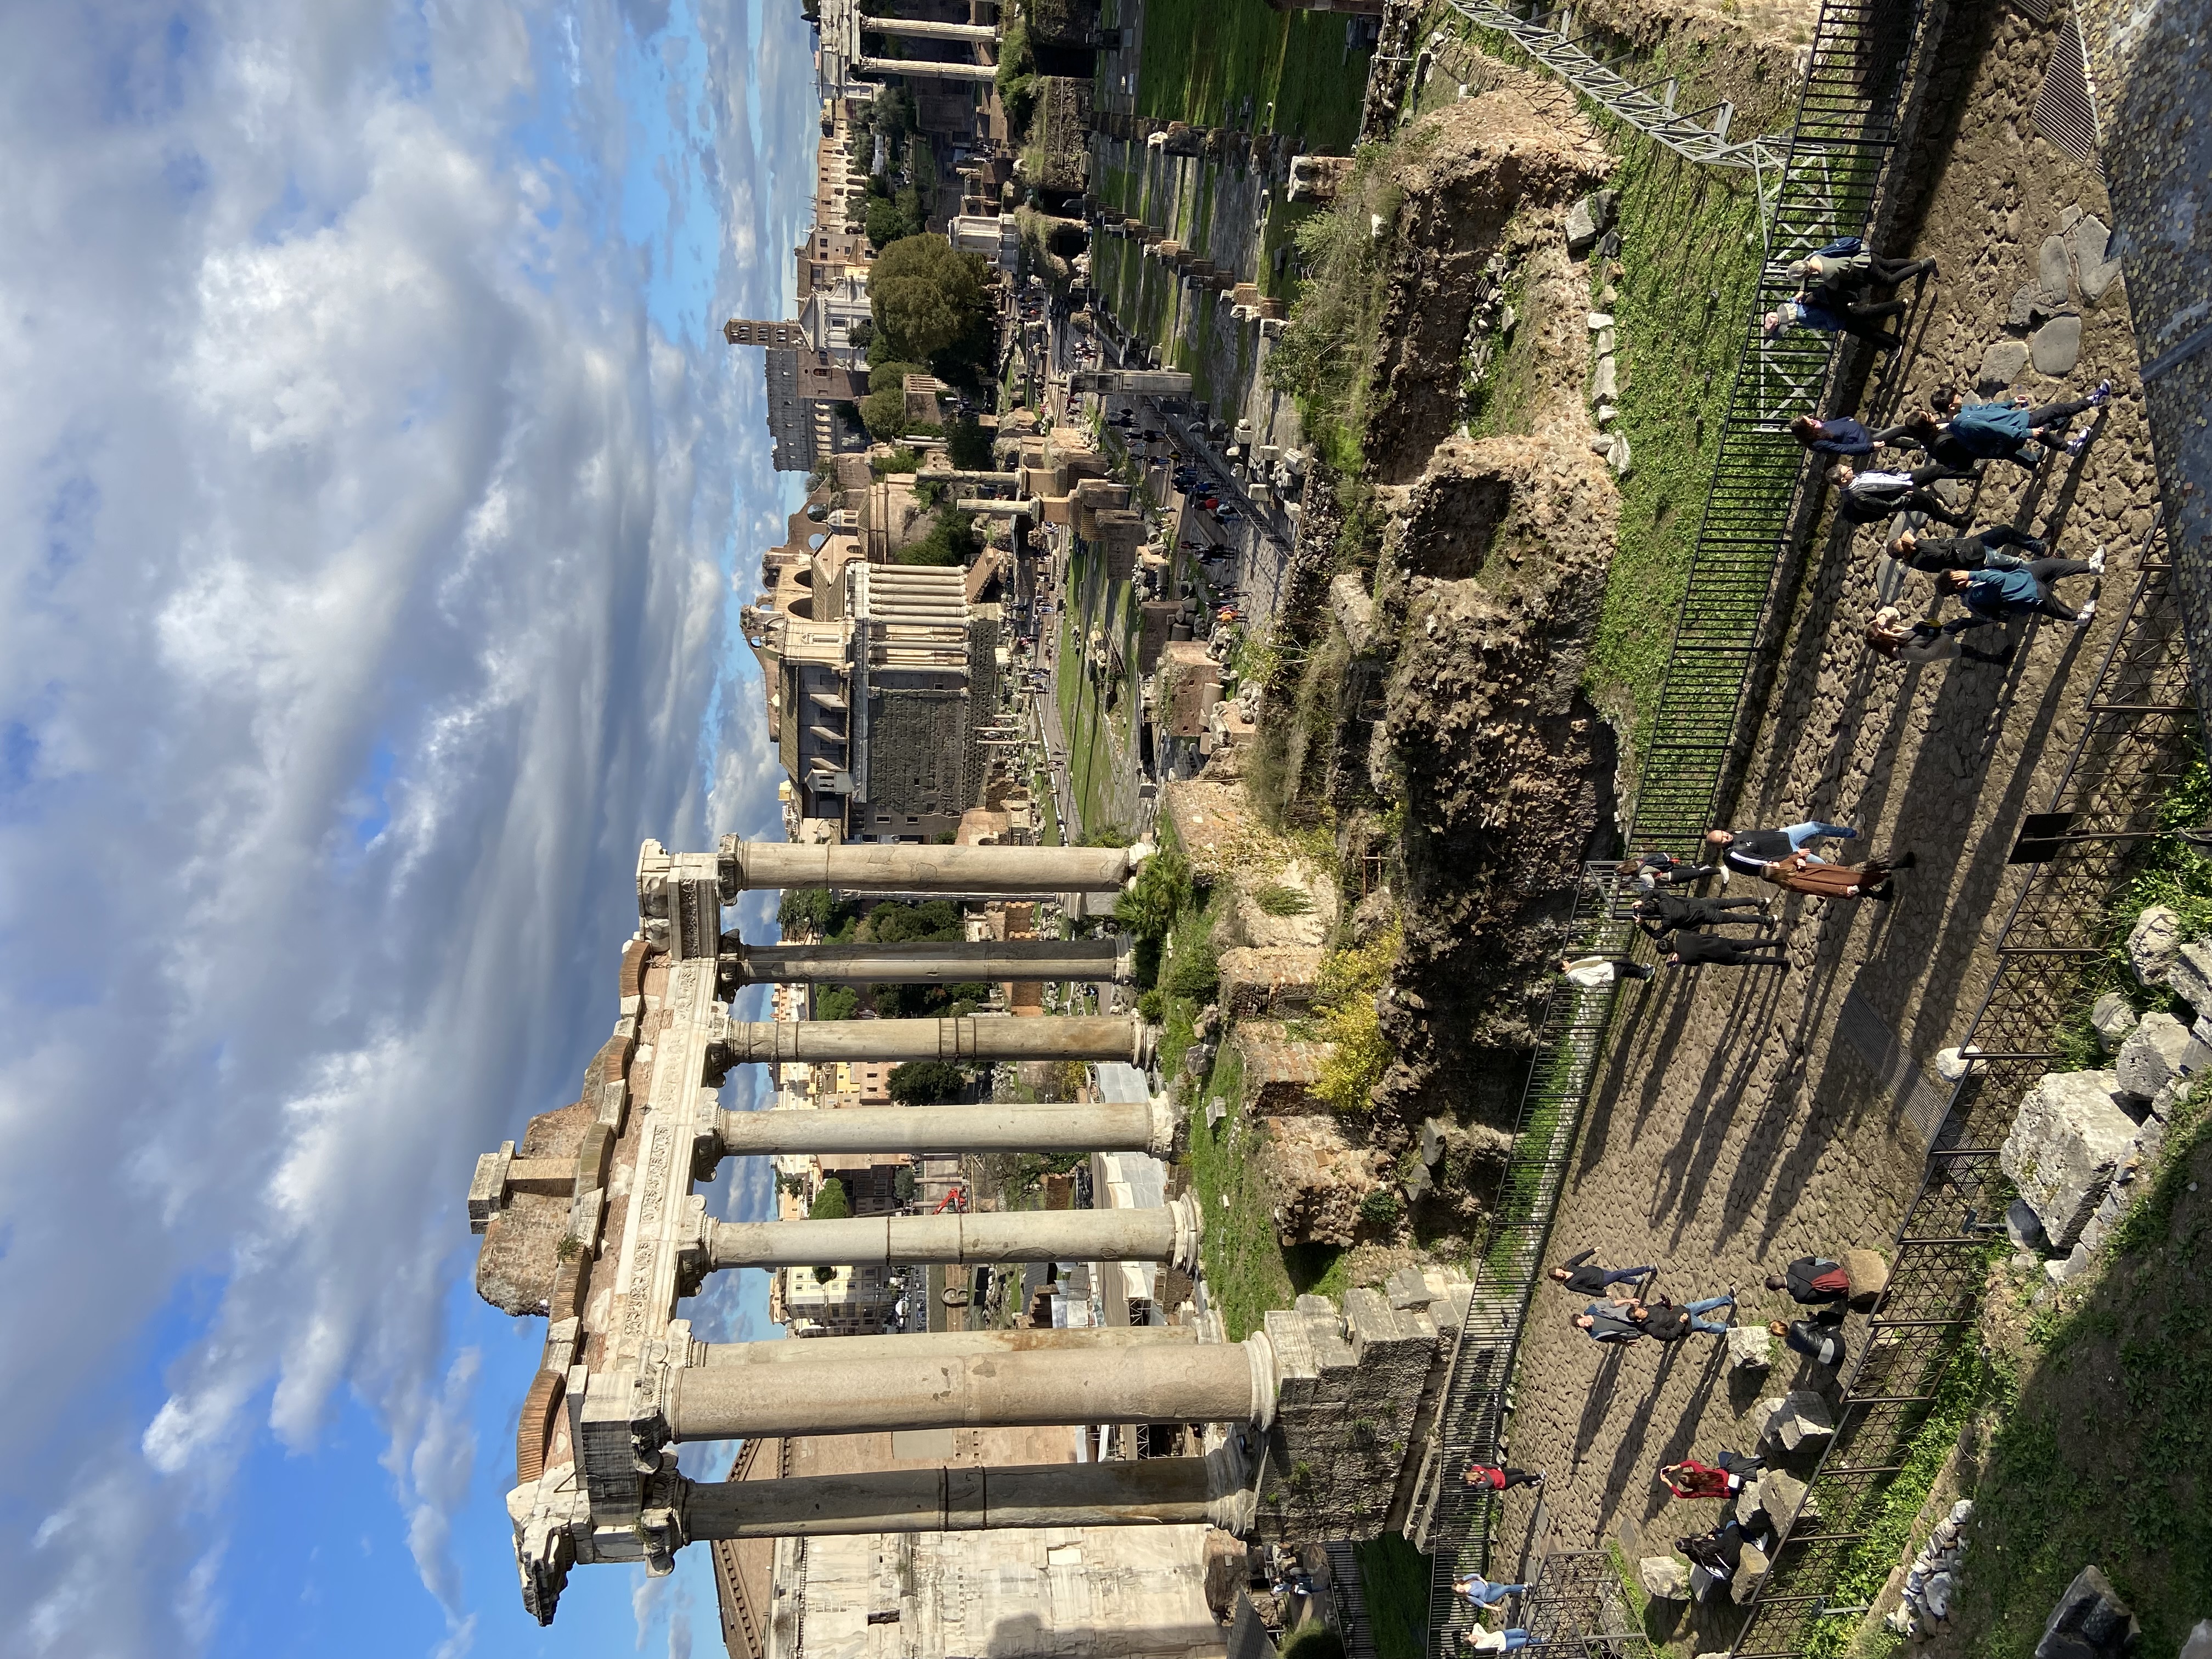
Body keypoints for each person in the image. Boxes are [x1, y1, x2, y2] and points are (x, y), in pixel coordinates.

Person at [1940, 552, 2104, 629]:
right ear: (1958, 585)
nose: (1959, 572)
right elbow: (1999, 580)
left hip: (2026, 575)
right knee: (2056, 609)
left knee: (2054, 565)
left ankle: (2091, 567)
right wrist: (1972, 574)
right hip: (2029, 594)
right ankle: (2081, 618)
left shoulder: (1972, 581)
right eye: (1955, 575)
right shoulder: (1975, 597)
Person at [1826, 462, 1974, 527]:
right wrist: (1905, 499)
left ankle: (1973, 473)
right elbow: (1885, 507)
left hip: (1905, 478)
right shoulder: (1857, 497)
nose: (1850, 468)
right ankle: (1958, 522)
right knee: (1932, 506)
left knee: (1937, 471)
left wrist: (1894, 472)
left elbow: (1877, 475)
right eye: (1847, 470)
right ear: (1843, 480)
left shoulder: (1854, 477)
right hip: (1906, 494)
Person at [1864, 607, 2013, 667]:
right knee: (1970, 651)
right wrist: (1946, 638)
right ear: (1881, 638)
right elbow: (1928, 656)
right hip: (1944, 644)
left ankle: (1997, 617)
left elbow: (1895, 614)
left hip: (1938, 633)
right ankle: (1999, 660)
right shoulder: (1903, 651)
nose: (1885, 628)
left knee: (1962, 622)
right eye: (1881, 629)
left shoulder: (1893, 633)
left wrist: (1883, 615)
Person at [1704, 823, 1859, 879]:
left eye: (1723, 833)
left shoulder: (1735, 833)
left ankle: (1854, 833)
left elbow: (1759, 834)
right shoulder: (1735, 854)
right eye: (1723, 839)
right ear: (1719, 846)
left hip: (1785, 835)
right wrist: (1794, 855)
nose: (1726, 836)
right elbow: (1767, 862)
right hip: (1790, 851)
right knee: (1822, 865)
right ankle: (1852, 878)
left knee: (1814, 827)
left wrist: (1779, 830)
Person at [1763, 294, 1909, 349]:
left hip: (1839, 318)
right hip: (1840, 313)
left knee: (1868, 328)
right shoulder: (1792, 306)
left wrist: (1832, 327)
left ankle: (1894, 343)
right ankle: (1898, 307)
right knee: (1868, 318)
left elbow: (1825, 318)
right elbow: (1792, 299)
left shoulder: (1803, 317)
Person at [1765, 848, 1912, 901]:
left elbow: (1790, 858)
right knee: (1866, 870)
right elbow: (1816, 887)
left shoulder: (1784, 866)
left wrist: (1797, 857)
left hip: (1836, 873)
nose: (1772, 862)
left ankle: (1881, 896)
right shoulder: (1792, 882)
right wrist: (1842, 891)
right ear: (1774, 872)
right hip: (1837, 882)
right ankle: (1900, 864)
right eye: (1770, 865)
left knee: (1861, 883)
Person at [1884, 524, 2044, 573]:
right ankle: (2045, 569)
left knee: (2005, 532)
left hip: (1969, 545)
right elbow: (1941, 553)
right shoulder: (1919, 560)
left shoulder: (1915, 552)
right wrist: (1915, 542)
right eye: (1904, 544)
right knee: (2016, 564)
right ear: (1905, 551)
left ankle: (2038, 547)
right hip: (1974, 556)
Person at [1788, 246, 1936, 292]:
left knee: (1890, 281)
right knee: (1889, 264)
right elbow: (1806, 268)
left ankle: (1924, 264)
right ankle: (1920, 265)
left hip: (1864, 270)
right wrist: (1802, 290)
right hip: (1864, 255)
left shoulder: (1827, 275)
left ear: (1806, 274)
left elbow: (1837, 287)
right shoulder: (1815, 256)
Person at [1632, 894, 1771, 938]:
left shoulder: (1668, 921)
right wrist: (1642, 901)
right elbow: (1654, 891)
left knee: (1736, 918)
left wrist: (1643, 924)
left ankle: (1765, 920)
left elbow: (1657, 935)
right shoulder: (1666, 899)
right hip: (1703, 903)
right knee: (1731, 902)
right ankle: (1758, 901)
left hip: (1707, 917)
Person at [1549, 1248, 1656, 1295]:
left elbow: (1579, 1258)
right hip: (1601, 1281)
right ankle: (1648, 1268)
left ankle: (1635, 1282)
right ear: (1558, 1278)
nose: (1562, 1273)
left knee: (1617, 1276)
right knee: (1622, 1273)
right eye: (1560, 1275)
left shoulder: (1568, 1265)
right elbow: (1586, 1291)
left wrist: (1592, 1251)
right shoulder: (1570, 1284)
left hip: (1599, 1271)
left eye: (1560, 1270)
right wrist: (1603, 1294)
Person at [1661, 1450, 1763, 1499]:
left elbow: (1681, 1495)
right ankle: (1752, 1461)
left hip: (1733, 1492)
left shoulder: (1699, 1492)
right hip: (1733, 1473)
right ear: (1693, 1474)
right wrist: (1676, 1467)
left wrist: (1668, 1482)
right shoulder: (1701, 1472)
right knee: (1722, 1455)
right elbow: (1692, 1462)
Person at [1640, 1290, 1738, 1340]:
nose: (1644, 1310)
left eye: (1641, 1309)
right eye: (1641, 1313)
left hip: (1684, 1309)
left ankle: (1729, 1299)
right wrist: (1681, 1322)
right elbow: (1670, 1336)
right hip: (1687, 1324)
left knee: (1706, 1304)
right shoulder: (1652, 1329)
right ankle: (1729, 1328)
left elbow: (1658, 1307)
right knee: (1707, 1326)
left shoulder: (1648, 1309)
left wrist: (1664, 1303)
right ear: (1639, 1319)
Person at [1664, 932, 1791, 969]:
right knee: (1749, 943)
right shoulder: (1681, 936)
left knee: (1751, 959)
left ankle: (1781, 962)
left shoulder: (1686, 958)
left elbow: (1697, 962)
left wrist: (1680, 959)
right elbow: (1698, 936)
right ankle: (1778, 942)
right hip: (1719, 942)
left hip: (1721, 956)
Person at [1772, 1307, 1848, 1366]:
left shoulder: (1789, 1343)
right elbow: (1818, 1323)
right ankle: (1842, 1319)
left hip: (1831, 1363)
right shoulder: (1796, 1326)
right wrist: (1812, 1317)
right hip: (1837, 1351)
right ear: (1782, 1323)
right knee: (1823, 1316)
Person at [1617, 849, 1721, 892]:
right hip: (1670, 866)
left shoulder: (1642, 875)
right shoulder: (1636, 862)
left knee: (1697, 874)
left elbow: (1650, 886)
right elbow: (1634, 874)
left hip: (1672, 876)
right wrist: (1627, 882)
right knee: (1693, 869)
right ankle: (1709, 867)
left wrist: (1633, 888)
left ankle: (1719, 870)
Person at [1767, 1256, 1851, 1304]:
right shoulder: (1794, 1266)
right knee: (1817, 1262)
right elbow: (1812, 1260)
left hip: (1839, 1291)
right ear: (1777, 1275)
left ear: (1780, 1289)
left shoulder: (1799, 1298)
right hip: (1834, 1270)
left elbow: (1821, 1301)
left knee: (1823, 1298)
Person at [1790, 413, 1877, 458]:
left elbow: (1835, 424)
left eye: (1810, 419)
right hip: (1865, 440)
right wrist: (1870, 446)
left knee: (1891, 437)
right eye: (1809, 422)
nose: (1813, 420)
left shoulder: (1820, 427)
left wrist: (1848, 420)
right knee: (1891, 433)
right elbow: (1843, 449)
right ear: (1806, 430)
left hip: (1863, 430)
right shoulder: (1818, 443)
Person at [1559, 954, 1654, 987]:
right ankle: (1645, 974)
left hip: (1606, 967)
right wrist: (1600, 979)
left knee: (1625, 966)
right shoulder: (1575, 974)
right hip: (1607, 973)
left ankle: (1643, 973)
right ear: (1563, 968)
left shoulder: (1571, 968)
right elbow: (1589, 982)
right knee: (1626, 965)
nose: (1567, 962)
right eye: (1565, 963)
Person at [1575, 1301, 1646, 1343]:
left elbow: (1613, 1304)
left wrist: (1629, 1301)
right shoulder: (1595, 1334)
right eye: (1583, 1326)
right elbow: (1612, 1340)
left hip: (1633, 1317)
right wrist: (1626, 1343)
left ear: (1582, 1316)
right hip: (1634, 1332)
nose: (1586, 1325)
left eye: (1585, 1322)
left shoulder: (1595, 1309)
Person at [1453, 1576, 1527, 1610]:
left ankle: (1522, 1590)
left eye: (1460, 1588)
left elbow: (1476, 1576)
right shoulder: (1469, 1596)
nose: (1461, 1589)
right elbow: (1481, 1604)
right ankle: (1525, 1586)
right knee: (1506, 1588)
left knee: (1506, 1588)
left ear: (1459, 1584)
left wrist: (1485, 1582)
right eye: (1459, 1591)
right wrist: (1493, 1608)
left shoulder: (1466, 1580)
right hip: (1489, 1596)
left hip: (1489, 1586)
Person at [1464, 1463, 1545, 1491]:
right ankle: (1540, 1477)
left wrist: (1497, 1467)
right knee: (1521, 1477)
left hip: (1501, 1473)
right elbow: (1491, 1482)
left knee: (1520, 1471)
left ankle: (1530, 1484)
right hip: (1503, 1483)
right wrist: (1484, 1473)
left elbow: (1486, 1465)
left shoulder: (1476, 1467)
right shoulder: (1478, 1486)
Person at [1465, 1630, 1533, 1654]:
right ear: (1472, 1644)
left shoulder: (1477, 1635)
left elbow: (1476, 1625)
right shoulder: (1479, 1647)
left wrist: (1477, 1634)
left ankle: (1535, 1639)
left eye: (1472, 1636)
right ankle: (1542, 1640)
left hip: (1502, 1634)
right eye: (1472, 1640)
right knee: (1524, 1641)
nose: (1474, 1638)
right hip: (1505, 1644)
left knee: (1521, 1632)